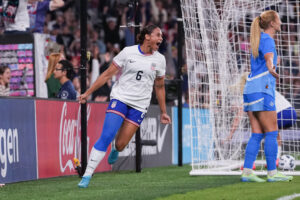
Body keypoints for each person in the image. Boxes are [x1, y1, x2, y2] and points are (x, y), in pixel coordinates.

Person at [77, 24, 171, 188]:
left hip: (140, 106)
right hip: (120, 99)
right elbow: (107, 74)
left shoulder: (160, 59)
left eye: (161, 36)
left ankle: (116, 148)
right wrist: (87, 92)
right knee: (107, 135)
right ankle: (87, 175)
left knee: (120, 144)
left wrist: (163, 112)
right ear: (147, 36)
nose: (161, 38)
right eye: (158, 35)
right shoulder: (128, 52)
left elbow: (160, 87)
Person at [241, 10, 292, 182]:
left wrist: (269, 66)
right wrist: (271, 68)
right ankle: (272, 173)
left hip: (250, 90)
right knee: (271, 132)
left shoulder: (258, 39)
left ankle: (247, 172)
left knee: (256, 133)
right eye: (278, 19)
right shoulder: (268, 40)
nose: (281, 22)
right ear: (272, 23)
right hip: (263, 89)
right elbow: (269, 58)